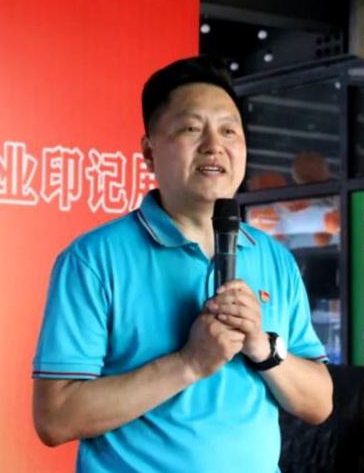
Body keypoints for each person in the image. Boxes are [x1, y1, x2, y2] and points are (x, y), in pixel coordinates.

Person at [31, 56, 333, 472]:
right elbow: (55, 418)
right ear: (149, 152)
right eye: (192, 128)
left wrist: (262, 347)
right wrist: (188, 363)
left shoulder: (274, 257)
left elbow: (319, 403)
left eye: (229, 130)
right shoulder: (93, 260)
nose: (214, 145)